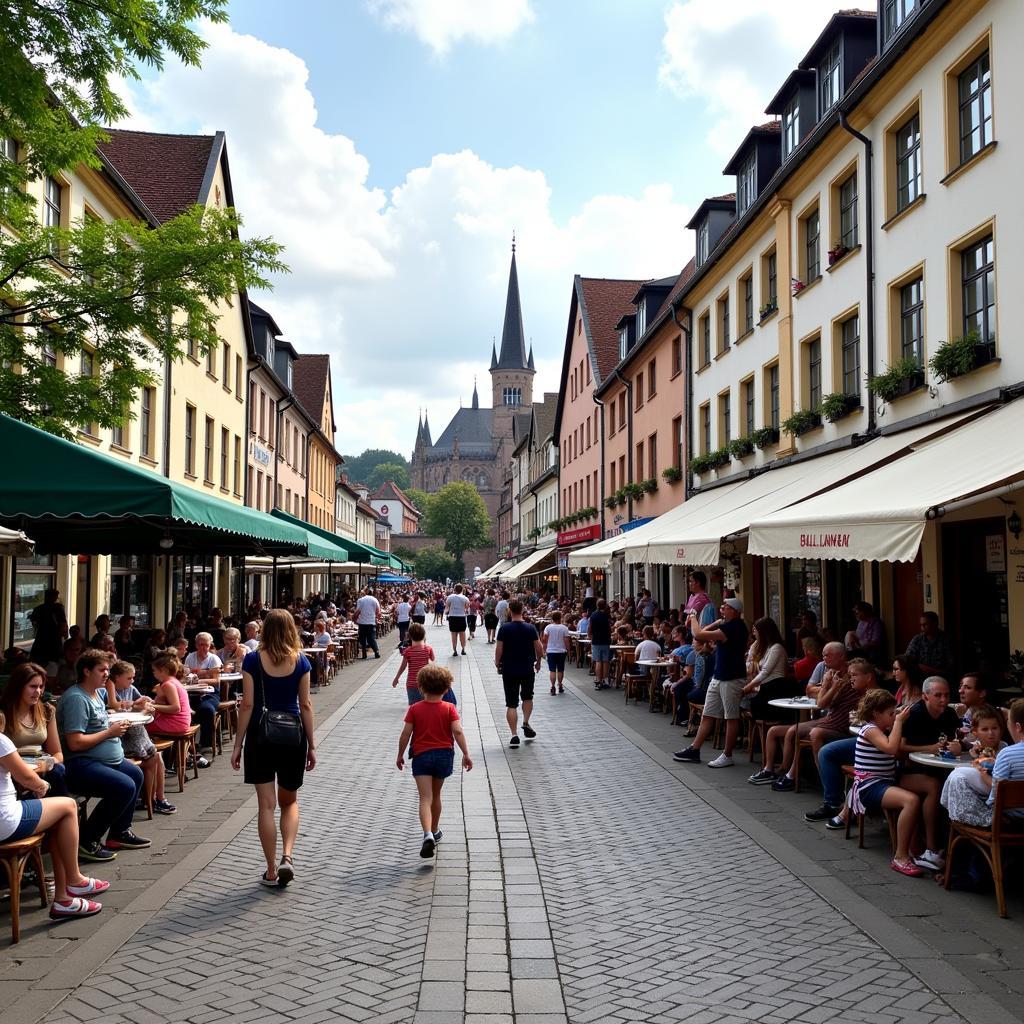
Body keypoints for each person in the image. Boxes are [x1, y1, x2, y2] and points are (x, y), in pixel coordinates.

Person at [232, 608, 316, 888]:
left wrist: (237, 744)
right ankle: (288, 857)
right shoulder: (301, 661)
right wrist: (312, 745)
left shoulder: (253, 660)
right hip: (293, 737)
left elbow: (247, 704)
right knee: (289, 801)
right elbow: (305, 705)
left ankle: (270, 870)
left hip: (260, 735)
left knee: (266, 806)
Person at [0, 709, 109, 920]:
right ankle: (72, 884)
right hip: (5, 822)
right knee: (67, 807)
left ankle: (64, 895)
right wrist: (43, 785)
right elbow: (27, 778)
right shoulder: (2, 741)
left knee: (56, 816)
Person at [57, 650, 149, 861]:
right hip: (81, 763)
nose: (107, 674)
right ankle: (87, 840)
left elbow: (97, 723)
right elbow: (75, 742)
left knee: (136, 774)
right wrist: (110, 732)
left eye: (108, 669)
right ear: (86, 671)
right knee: (124, 786)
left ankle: (119, 833)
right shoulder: (77, 699)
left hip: (104, 759)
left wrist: (113, 723)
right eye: (102, 670)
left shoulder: (96, 694)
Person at [844, 689, 926, 877]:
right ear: (876, 714)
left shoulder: (883, 728)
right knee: (911, 801)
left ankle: (925, 848)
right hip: (870, 785)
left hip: (887, 778)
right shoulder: (870, 729)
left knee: (930, 784)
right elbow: (891, 749)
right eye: (891, 713)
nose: (894, 716)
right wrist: (898, 723)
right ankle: (900, 856)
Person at [396, 664, 472, 858]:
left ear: (421, 687)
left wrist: (400, 754)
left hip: (421, 756)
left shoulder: (414, 709)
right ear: (446, 688)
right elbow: (457, 731)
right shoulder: (449, 708)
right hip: (444, 755)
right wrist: (466, 753)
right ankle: (436, 830)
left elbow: (406, 733)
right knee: (436, 795)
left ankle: (427, 833)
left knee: (425, 798)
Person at [898, 675, 964, 873]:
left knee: (949, 783)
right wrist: (932, 748)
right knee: (934, 785)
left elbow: (956, 740)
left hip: (936, 768)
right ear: (926, 697)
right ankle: (932, 848)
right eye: (938, 696)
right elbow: (901, 748)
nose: (943, 700)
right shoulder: (914, 714)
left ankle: (951, 844)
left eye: (946, 695)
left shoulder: (950, 715)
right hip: (907, 772)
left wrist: (957, 746)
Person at [674, 597, 749, 768]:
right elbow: (703, 635)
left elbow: (698, 634)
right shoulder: (726, 626)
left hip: (732, 677)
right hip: (719, 676)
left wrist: (693, 616)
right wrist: (716, 621)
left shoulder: (734, 627)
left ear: (735, 611)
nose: (722, 609)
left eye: (726, 607)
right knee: (708, 713)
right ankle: (695, 748)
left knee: (731, 717)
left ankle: (727, 754)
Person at [940, 699, 1024, 830]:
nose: (991, 733)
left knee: (957, 776)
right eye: (985, 729)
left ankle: (961, 823)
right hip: (1012, 810)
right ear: (975, 732)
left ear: (1017, 727)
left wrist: (984, 773)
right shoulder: (976, 747)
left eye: (995, 728)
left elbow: (997, 791)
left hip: (1007, 815)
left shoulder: (1006, 752)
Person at [107, 661, 175, 815]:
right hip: (121, 736)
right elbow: (113, 705)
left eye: (133, 678)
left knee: (157, 755)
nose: (132, 681)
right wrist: (133, 705)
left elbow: (141, 703)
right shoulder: (108, 687)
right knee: (154, 755)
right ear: (117, 678)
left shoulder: (130, 688)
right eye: (129, 678)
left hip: (133, 731)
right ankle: (152, 800)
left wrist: (145, 704)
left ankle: (156, 798)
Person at [2, 662, 68, 796]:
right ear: (19, 687)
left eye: (41, 686)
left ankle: (63, 809)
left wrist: (44, 765)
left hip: (42, 765)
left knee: (58, 770)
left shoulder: (47, 711)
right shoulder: (3, 713)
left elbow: (58, 754)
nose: (38, 691)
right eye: (33, 686)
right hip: (13, 767)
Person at [495, 600, 543, 749]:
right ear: (522, 610)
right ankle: (526, 722)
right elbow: (539, 648)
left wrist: (497, 663)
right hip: (527, 668)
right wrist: (539, 661)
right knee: (528, 696)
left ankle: (514, 734)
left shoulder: (504, 628)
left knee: (511, 703)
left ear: (509, 610)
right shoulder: (530, 628)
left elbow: (499, 649)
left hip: (509, 668)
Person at [183, 632, 222, 761]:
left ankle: (206, 743)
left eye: (206, 645)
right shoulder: (190, 657)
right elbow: (186, 676)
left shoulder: (214, 659)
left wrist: (198, 678)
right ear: (196, 645)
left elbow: (216, 680)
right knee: (184, 709)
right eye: (201, 645)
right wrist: (205, 674)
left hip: (210, 693)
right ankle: (187, 743)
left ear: (210, 645)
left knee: (207, 709)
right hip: (192, 693)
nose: (203, 648)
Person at [742, 616, 790, 718]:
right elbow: (751, 664)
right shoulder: (766, 647)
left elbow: (765, 672)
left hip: (775, 688)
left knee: (745, 699)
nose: (755, 634)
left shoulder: (776, 648)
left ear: (764, 632)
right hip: (765, 687)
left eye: (757, 631)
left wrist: (748, 687)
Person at [391, 623, 436, 703]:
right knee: (426, 707)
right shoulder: (428, 649)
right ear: (424, 635)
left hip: (411, 684)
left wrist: (397, 678)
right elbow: (433, 660)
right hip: (425, 684)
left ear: (410, 636)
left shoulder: (408, 651)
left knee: (414, 708)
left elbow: (403, 666)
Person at [904, 612, 953, 677]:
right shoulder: (917, 639)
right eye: (921, 625)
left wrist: (930, 670)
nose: (922, 628)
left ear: (935, 624)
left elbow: (950, 668)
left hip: (939, 678)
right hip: (919, 677)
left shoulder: (946, 640)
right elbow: (907, 659)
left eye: (925, 625)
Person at [29, 588, 68, 665]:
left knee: (39, 659)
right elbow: (62, 623)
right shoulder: (58, 608)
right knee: (54, 660)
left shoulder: (38, 608)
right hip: (54, 638)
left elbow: (34, 623)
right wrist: (65, 634)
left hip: (41, 637)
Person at [542, 611, 570, 695]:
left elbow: (544, 639)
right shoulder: (564, 628)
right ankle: (560, 685)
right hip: (561, 651)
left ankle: (553, 686)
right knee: (561, 669)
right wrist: (568, 650)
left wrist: (544, 649)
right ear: (560, 618)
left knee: (552, 670)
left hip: (551, 651)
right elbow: (566, 641)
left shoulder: (548, 627)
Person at [588, 598, 613, 689]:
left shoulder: (593, 615)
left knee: (598, 661)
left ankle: (598, 680)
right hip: (605, 640)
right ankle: (605, 680)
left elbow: (590, 628)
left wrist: (590, 636)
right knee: (605, 661)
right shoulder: (606, 615)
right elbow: (609, 628)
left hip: (596, 640)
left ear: (597, 605)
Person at [355, 588, 381, 660]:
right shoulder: (375, 600)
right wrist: (377, 619)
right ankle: (376, 652)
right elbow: (378, 612)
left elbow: (357, 611)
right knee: (371, 639)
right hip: (371, 622)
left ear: (366, 592)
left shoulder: (361, 600)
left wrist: (354, 618)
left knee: (362, 639)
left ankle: (364, 654)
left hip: (362, 622)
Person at [445, 584, 471, 656]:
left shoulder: (449, 597)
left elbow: (447, 608)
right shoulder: (465, 598)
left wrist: (447, 612)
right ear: (462, 590)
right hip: (461, 617)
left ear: (454, 589)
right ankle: (463, 649)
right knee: (462, 634)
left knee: (454, 635)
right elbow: (467, 609)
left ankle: (455, 650)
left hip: (452, 617)